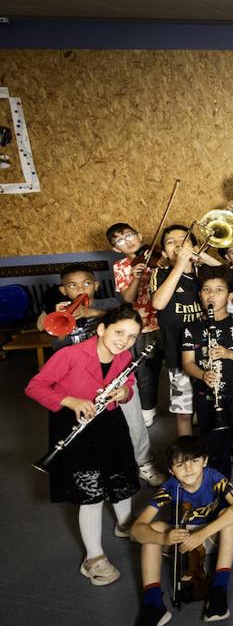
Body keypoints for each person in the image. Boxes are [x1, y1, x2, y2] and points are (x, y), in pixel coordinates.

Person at [26, 306, 144, 587]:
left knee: (120, 477)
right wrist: (70, 400)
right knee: (90, 491)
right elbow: (35, 386)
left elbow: (128, 381)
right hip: (74, 424)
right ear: (101, 329)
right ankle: (93, 557)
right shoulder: (69, 354)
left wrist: (125, 392)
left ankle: (125, 524)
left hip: (110, 423)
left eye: (131, 336)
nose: (124, 341)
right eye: (119, 332)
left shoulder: (125, 355)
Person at [41, 261, 160, 484]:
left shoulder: (109, 303)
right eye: (73, 286)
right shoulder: (60, 311)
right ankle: (102, 469)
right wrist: (61, 321)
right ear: (63, 290)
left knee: (134, 423)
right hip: (82, 382)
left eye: (86, 284)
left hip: (118, 374)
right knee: (94, 431)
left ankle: (144, 462)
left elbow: (128, 316)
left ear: (95, 285)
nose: (80, 290)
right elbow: (58, 346)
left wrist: (92, 311)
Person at [127, 435, 233, 626]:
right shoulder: (170, 488)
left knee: (228, 516)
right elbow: (135, 530)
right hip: (181, 542)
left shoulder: (214, 478)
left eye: (194, 461)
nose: (189, 469)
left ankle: (219, 589)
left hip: (212, 537)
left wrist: (202, 534)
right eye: (180, 465)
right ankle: (153, 605)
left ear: (205, 461)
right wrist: (163, 537)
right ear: (172, 471)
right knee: (153, 528)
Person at [180, 265, 233, 485]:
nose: (211, 295)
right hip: (208, 396)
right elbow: (187, 363)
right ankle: (220, 488)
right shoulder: (192, 328)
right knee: (213, 446)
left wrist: (227, 353)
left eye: (219, 290)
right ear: (199, 294)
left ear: (229, 295)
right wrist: (203, 374)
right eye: (206, 289)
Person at [151, 224, 222, 436]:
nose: (178, 244)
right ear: (164, 252)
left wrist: (202, 257)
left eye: (184, 240)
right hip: (177, 354)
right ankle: (187, 451)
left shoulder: (204, 273)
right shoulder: (161, 273)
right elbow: (158, 303)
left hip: (209, 352)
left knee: (213, 405)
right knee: (184, 412)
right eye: (171, 242)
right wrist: (180, 265)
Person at [108, 222, 166, 431]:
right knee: (145, 370)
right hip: (144, 325)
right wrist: (136, 277)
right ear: (116, 249)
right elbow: (128, 298)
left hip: (168, 319)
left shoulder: (160, 255)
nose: (128, 241)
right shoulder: (120, 266)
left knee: (178, 365)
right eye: (120, 240)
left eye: (130, 235)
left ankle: (190, 408)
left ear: (140, 235)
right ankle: (148, 409)